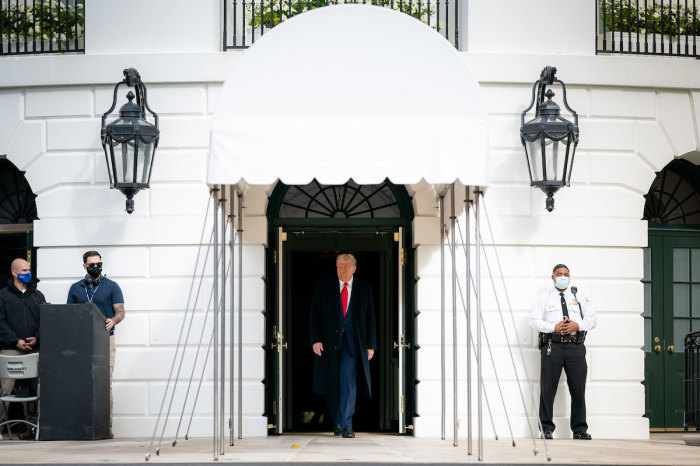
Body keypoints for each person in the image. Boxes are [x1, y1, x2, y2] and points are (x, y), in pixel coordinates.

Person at [309, 253, 377, 438]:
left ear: (354, 268)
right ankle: (337, 421)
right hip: (329, 344)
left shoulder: (365, 288)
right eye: (339, 267)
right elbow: (315, 315)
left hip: (353, 345)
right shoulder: (324, 286)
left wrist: (370, 345)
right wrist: (315, 339)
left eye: (346, 267)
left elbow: (370, 318)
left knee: (347, 380)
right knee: (333, 383)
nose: (342, 270)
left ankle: (346, 424)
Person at [530, 263, 597, 440]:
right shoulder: (544, 298)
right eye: (559, 274)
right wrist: (554, 327)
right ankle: (546, 429)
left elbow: (592, 319)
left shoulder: (579, 296)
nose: (563, 277)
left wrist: (577, 325)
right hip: (553, 346)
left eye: (566, 274)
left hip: (575, 347)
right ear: (553, 278)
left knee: (578, 389)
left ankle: (579, 429)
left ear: (569, 276)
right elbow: (534, 321)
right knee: (548, 389)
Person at [66, 251, 125, 437]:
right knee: (81, 382)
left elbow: (121, 311)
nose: (96, 268)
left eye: (99, 264)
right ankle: (82, 424)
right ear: (85, 266)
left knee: (104, 382)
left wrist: (113, 320)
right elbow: (68, 314)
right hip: (82, 341)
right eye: (92, 265)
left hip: (106, 339)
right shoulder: (76, 288)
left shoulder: (112, 286)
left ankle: (106, 427)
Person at [0, 258, 45, 439]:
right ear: (14, 272)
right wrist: (15, 341)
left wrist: (37, 339)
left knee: (34, 388)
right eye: (24, 270)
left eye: (29, 269)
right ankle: (1, 426)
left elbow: (45, 321)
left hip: (34, 350)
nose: (28, 272)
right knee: (5, 388)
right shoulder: (3, 295)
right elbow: (0, 322)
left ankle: (32, 426)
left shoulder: (38, 295)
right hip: (11, 349)